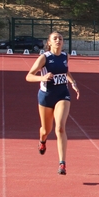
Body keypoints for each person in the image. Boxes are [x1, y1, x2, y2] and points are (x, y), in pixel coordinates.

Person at [26, 31, 80, 174]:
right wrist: (42, 78)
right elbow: (29, 76)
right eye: (55, 38)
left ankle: (62, 163)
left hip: (63, 94)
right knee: (46, 130)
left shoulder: (64, 56)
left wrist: (73, 82)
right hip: (46, 96)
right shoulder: (44, 58)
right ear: (49, 42)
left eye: (60, 38)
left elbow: (66, 71)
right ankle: (42, 141)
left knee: (60, 127)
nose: (58, 40)